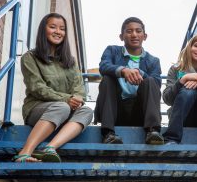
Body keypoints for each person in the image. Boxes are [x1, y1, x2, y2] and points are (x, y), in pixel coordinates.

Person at [12, 13, 93, 162]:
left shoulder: (70, 61)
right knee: (61, 106)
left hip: (66, 108)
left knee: (87, 111)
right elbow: (37, 87)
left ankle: (49, 148)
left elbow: (79, 87)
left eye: (62, 28)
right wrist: (67, 99)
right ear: (44, 30)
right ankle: (24, 153)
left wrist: (77, 99)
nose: (58, 31)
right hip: (37, 108)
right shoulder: (29, 57)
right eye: (53, 27)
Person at [94, 17, 164, 145]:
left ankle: (153, 131)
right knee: (107, 79)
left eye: (138, 31)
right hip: (116, 109)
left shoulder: (153, 61)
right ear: (121, 36)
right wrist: (123, 71)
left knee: (150, 81)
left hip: (140, 111)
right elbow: (104, 66)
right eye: (129, 31)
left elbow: (156, 84)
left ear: (145, 36)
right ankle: (108, 134)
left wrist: (140, 73)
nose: (134, 35)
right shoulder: (112, 50)